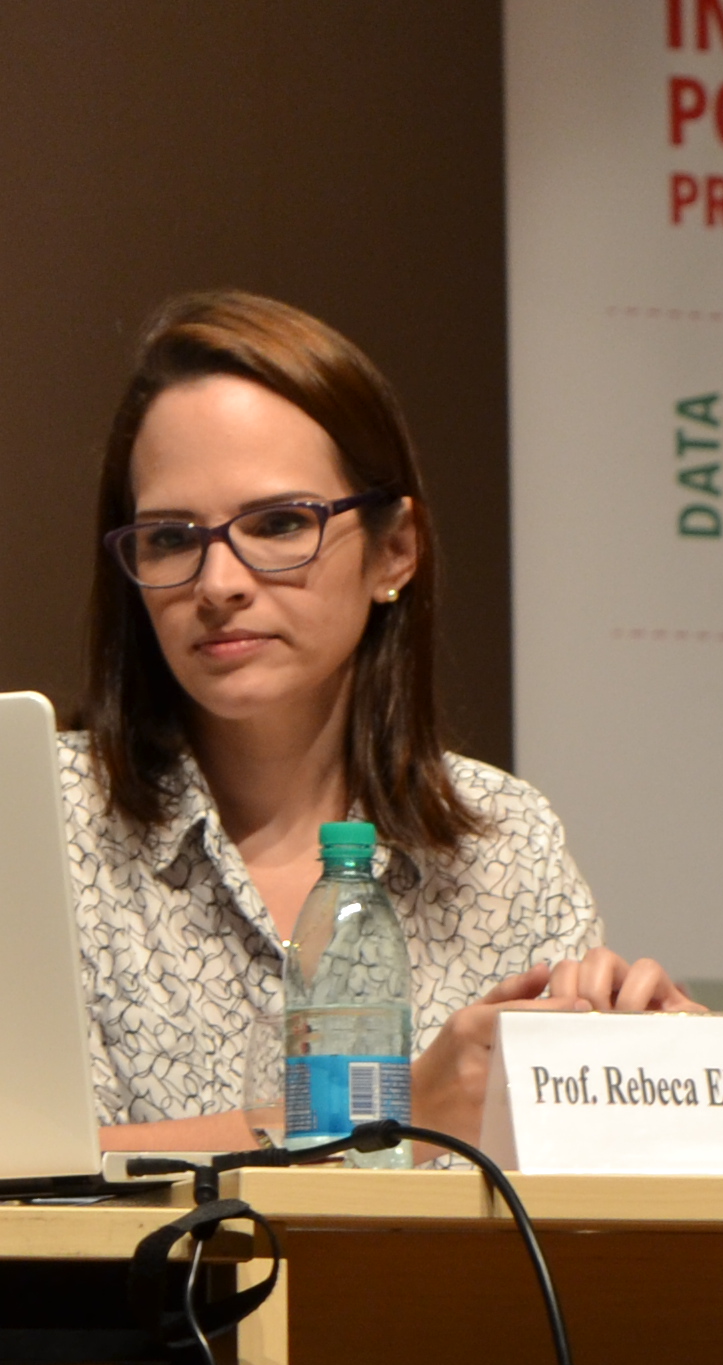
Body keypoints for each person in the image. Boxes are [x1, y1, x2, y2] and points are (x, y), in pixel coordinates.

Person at [67, 290, 689, 1154]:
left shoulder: (503, 843)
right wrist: (386, 1121)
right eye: (171, 539)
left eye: (279, 524)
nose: (218, 584)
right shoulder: (38, 820)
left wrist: (670, 1076)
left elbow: (573, 1185)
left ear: (395, 550)